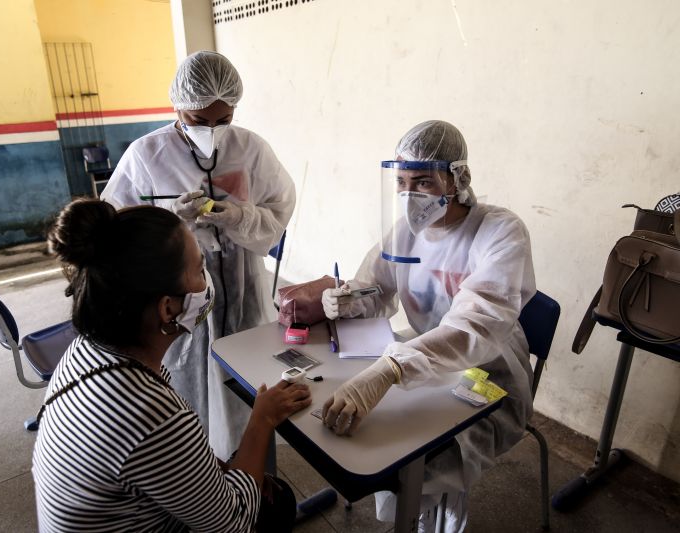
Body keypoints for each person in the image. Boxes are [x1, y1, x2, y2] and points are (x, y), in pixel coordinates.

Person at [32, 199, 310, 532]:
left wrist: (222, 470)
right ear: (167, 309)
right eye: (198, 268)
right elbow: (232, 524)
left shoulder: (87, 352)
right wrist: (262, 418)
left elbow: (173, 463)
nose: (206, 280)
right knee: (274, 508)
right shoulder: (150, 414)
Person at [320, 120, 536, 531]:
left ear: (458, 178)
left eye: (422, 181)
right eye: (401, 182)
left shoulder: (500, 231)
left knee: (425, 459)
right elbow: (375, 289)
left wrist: (392, 368)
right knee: (383, 440)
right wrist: (346, 299)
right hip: (418, 362)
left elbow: (478, 325)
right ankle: (410, 518)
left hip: (489, 374)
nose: (408, 195)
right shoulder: (405, 233)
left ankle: (428, 523)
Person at [101, 51, 295, 460]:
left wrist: (239, 216)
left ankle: (260, 490)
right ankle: (202, 486)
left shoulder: (251, 149)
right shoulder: (145, 155)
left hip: (245, 292)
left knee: (251, 389)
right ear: (177, 106)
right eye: (198, 121)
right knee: (190, 395)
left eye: (223, 121)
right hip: (181, 296)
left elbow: (279, 212)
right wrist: (172, 217)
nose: (212, 130)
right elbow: (116, 226)